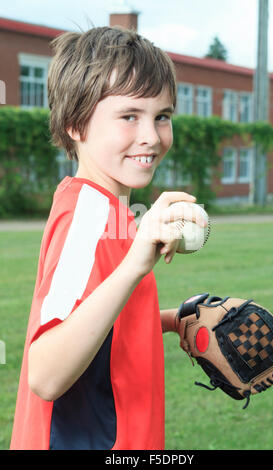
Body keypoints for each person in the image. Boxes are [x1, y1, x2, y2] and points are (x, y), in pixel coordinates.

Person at [10, 26, 204, 450]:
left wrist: (172, 321)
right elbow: (45, 373)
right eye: (129, 116)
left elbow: (97, 333)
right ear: (76, 123)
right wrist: (136, 261)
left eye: (162, 116)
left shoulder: (109, 212)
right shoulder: (87, 216)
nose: (151, 136)